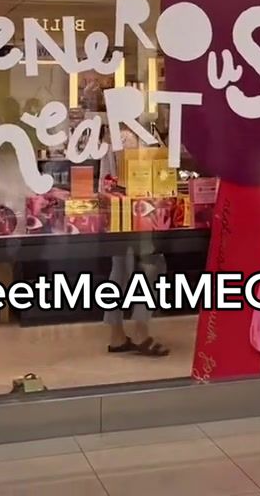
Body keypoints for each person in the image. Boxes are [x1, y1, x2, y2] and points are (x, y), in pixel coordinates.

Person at [99, 124, 170, 358]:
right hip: (138, 208)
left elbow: (105, 179)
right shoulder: (130, 134)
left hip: (119, 208)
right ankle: (140, 331)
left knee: (121, 268)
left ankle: (117, 334)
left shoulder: (116, 132)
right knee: (149, 266)